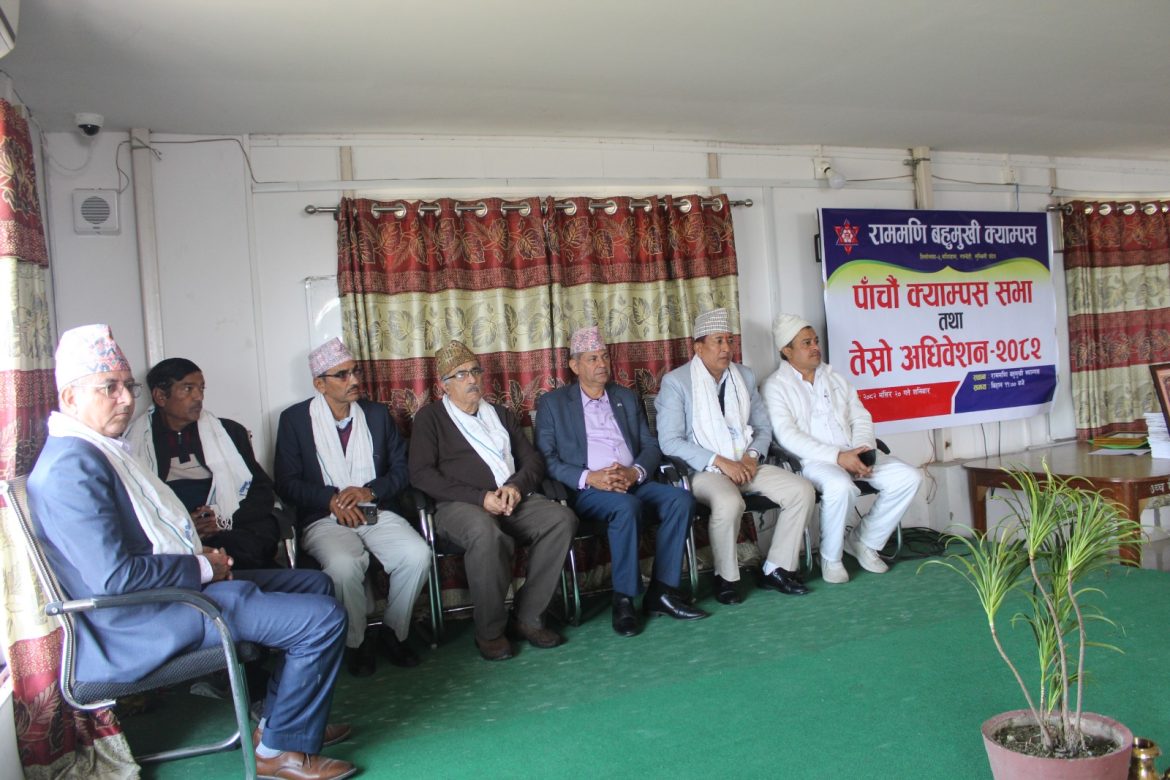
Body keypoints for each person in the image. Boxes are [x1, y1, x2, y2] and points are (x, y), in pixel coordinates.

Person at [28, 325, 355, 780]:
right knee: (322, 620)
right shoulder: (70, 468)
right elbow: (113, 579)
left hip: (167, 591)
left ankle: (278, 723)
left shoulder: (100, 451)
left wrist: (202, 557)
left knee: (314, 583)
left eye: (127, 386)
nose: (124, 399)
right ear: (70, 397)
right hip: (138, 617)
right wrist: (202, 565)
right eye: (108, 387)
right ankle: (280, 751)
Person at [409, 340, 577, 661]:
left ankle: (528, 616)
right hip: (459, 505)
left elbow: (533, 461)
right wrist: (480, 497)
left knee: (561, 519)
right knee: (486, 534)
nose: (472, 379)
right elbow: (421, 475)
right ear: (443, 385)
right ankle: (490, 631)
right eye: (461, 375)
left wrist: (514, 487)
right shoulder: (430, 419)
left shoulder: (500, 414)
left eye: (475, 371)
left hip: (510, 498)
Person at [535, 326, 706, 637]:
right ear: (575, 366)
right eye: (592, 359)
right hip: (590, 489)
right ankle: (624, 598)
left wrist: (634, 472)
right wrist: (591, 477)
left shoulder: (624, 397)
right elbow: (546, 459)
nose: (602, 364)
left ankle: (662, 591)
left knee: (681, 499)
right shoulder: (553, 404)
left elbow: (650, 445)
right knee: (626, 507)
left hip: (633, 481)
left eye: (604, 357)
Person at [274, 338, 430, 676]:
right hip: (325, 516)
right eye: (342, 375)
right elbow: (286, 482)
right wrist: (331, 499)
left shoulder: (376, 415)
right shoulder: (295, 420)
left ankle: (394, 632)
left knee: (416, 555)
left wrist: (368, 491)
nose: (354, 380)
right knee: (344, 565)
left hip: (374, 509)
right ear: (320, 384)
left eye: (355, 372)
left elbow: (401, 470)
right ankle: (355, 642)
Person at [655, 308, 816, 604]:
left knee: (802, 490)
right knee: (730, 502)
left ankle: (777, 568)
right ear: (698, 347)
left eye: (729, 340)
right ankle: (726, 578)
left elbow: (763, 428)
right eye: (718, 341)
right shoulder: (677, 382)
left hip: (746, 463)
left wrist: (752, 456)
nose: (726, 348)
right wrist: (719, 461)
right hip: (704, 470)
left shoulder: (744, 375)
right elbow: (670, 442)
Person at [762, 314, 922, 584]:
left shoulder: (834, 376)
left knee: (908, 477)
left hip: (853, 453)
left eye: (815, 341)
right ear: (786, 351)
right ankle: (830, 557)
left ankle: (864, 541)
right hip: (814, 462)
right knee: (840, 486)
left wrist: (862, 450)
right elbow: (787, 436)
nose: (815, 347)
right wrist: (838, 457)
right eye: (806, 343)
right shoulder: (775, 386)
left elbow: (861, 416)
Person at [125, 357, 280, 570]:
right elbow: (136, 504)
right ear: (160, 396)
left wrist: (223, 519)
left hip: (232, 526)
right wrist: (186, 524)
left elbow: (261, 491)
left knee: (251, 539)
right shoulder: (135, 442)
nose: (199, 397)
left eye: (201, 388)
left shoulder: (228, 432)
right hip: (177, 531)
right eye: (188, 389)